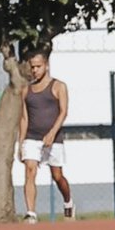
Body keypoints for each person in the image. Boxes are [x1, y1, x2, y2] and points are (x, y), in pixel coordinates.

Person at [17, 51, 74, 221]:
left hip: (53, 139)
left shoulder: (59, 86)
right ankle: (31, 213)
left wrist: (52, 133)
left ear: (46, 66)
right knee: (30, 170)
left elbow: (63, 112)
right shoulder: (26, 90)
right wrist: (20, 143)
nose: (35, 70)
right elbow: (24, 118)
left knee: (57, 176)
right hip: (32, 137)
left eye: (38, 66)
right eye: (32, 67)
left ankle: (68, 201)